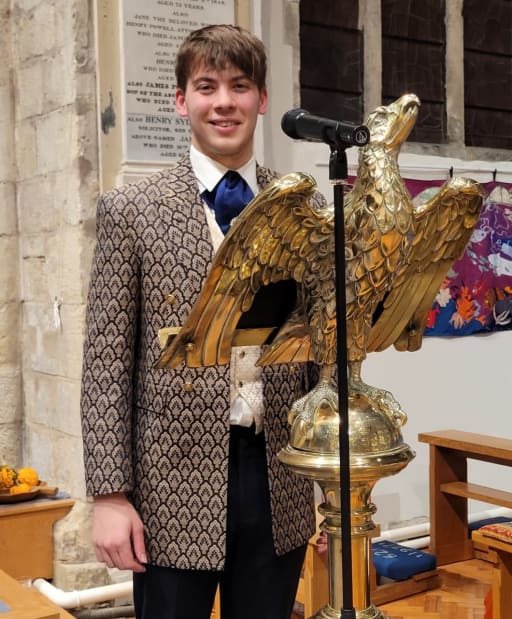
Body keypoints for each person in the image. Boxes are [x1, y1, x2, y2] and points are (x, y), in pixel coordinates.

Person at [80, 24, 320, 619]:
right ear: (181, 100)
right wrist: (110, 494)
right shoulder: (132, 211)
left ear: (262, 99)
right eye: (206, 85)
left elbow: (321, 348)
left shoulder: (303, 209)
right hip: (171, 484)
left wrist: (327, 476)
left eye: (240, 86)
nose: (224, 102)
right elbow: (106, 364)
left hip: (278, 478)